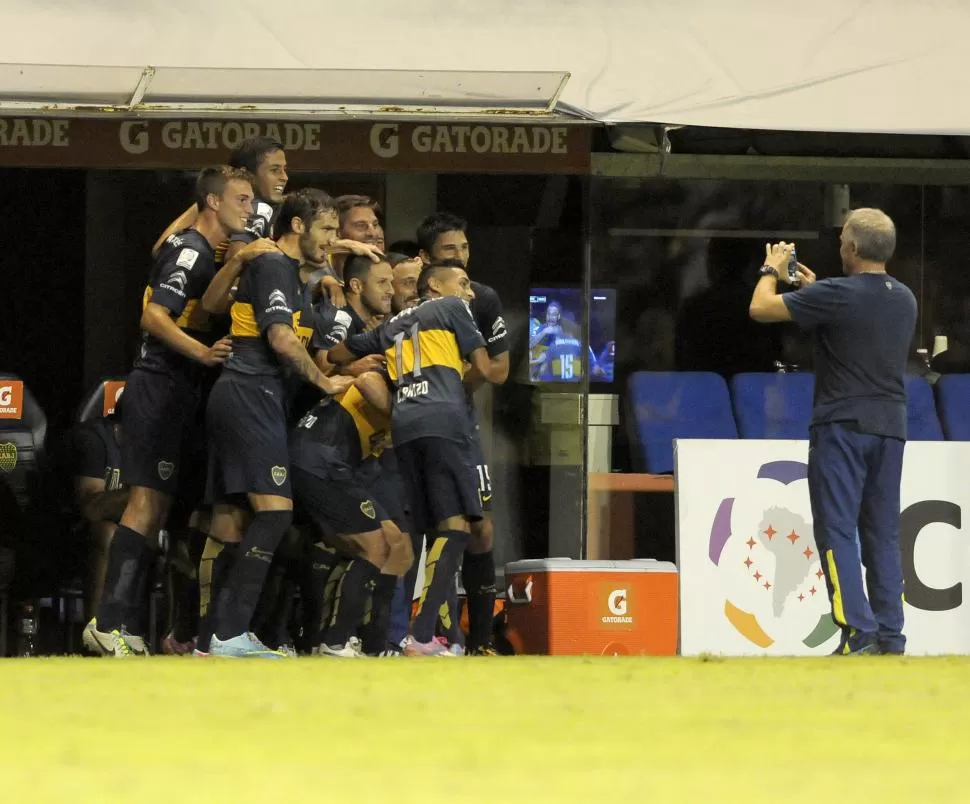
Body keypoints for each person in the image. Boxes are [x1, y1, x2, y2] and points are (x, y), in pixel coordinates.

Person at [86, 166, 258, 657]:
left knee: (165, 507)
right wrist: (202, 353)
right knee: (146, 502)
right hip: (160, 385)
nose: (250, 209)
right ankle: (107, 622)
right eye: (242, 200)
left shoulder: (194, 245)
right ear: (212, 202)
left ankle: (130, 625)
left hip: (180, 392)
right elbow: (153, 315)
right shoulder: (192, 251)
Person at [748, 208, 917, 656]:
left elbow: (760, 308)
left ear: (854, 248)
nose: (841, 244)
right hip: (890, 426)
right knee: (881, 532)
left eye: (844, 239)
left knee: (838, 530)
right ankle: (889, 635)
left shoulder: (838, 295)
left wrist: (771, 270)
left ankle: (857, 631)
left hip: (842, 425)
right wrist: (815, 289)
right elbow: (857, 319)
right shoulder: (904, 297)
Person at [203, 188, 353, 658]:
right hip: (250, 391)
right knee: (274, 512)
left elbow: (217, 305)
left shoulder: (293, 275)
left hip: (258, 397)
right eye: (327, 230)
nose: (332, 240)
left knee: (241, 519)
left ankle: (215, 635)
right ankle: (226, 636)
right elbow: (282, 339)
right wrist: (324, 384)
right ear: (297, 227)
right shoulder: (271, 265)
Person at [328, 261, 502, 656]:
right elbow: (485, 367)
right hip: (445, 422)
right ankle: (422, 635)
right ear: (435, 287)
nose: (469, 293)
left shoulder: (389, 326)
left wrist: (358, 363)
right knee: (458, 527)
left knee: (435, 530)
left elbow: (337, 352)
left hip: (404, 430)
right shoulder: (451, 309)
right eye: (462, 283)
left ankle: (440, 637)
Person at [416, 214, 509, 654]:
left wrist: (450, 388)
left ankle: (480, 642)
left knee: (480, 530)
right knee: (423, 527)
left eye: (465, 248)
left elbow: (498, 369)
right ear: (426, 261)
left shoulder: (482, 299)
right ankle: (421, 633)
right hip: (408, 422)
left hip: (460, 425)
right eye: (450, 250)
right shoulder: (409, 298)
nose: (462, 257)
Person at [290, 372, 412, 656]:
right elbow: (367, 379)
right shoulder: (383, 378)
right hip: (320, 461)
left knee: (393, 542)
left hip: (328, 464)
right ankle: (335, 641)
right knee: (374, 546)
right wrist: (405, 418)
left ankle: (372, 644)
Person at [72, 395, 128, 633]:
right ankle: (98, 634)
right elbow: (91, 509)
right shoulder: (93, 439)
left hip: (129, 529)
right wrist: (143, 495)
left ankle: (177, 639)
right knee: (108, 532)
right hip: (69, 534)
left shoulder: (154, 448)